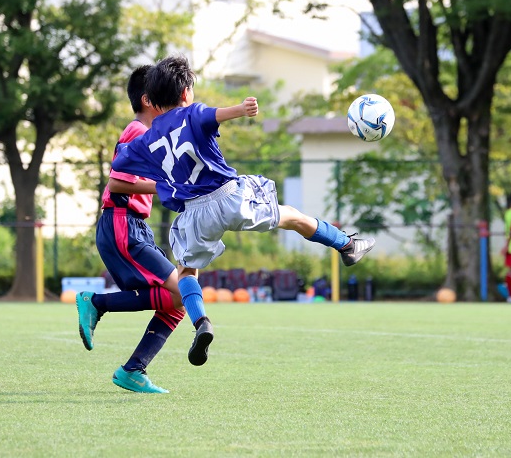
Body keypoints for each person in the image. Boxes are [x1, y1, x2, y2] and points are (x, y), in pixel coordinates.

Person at [110, 55, 376, 359]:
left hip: (194, 215)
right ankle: (346, 245)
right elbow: (216, 115)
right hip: (229, 197)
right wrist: (243, 109)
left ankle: (201, 322)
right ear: (185, 93)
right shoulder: (193, 113)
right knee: (291, 216)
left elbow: (120, 161)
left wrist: (129, 147)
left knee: (186, 272)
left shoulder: (149, 138)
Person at [75, 66, 185, 394]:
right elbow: (117, 182)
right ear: (149, 99)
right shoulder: (138, 129)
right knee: (184, 293)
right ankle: (96, 303)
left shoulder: (148, 134)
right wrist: (168, 187)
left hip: (132, 226)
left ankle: (133, 371)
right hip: (123, 223)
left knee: (177, 301)